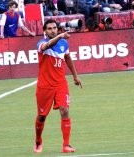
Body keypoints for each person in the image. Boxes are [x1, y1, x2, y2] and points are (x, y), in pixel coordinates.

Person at [33, 19, 82, 153]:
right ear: (45, 31)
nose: (52, 30)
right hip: (45, 86)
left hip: (60, 83)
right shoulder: (41, 43)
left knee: (65, 110)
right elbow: (46, 46)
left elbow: (67, 58)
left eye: (54, 28)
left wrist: (75, 76)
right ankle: (38, 140)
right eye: (49, 28)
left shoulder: (64, 43)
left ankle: (66, 145)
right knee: (42, 116)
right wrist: (60, 35)